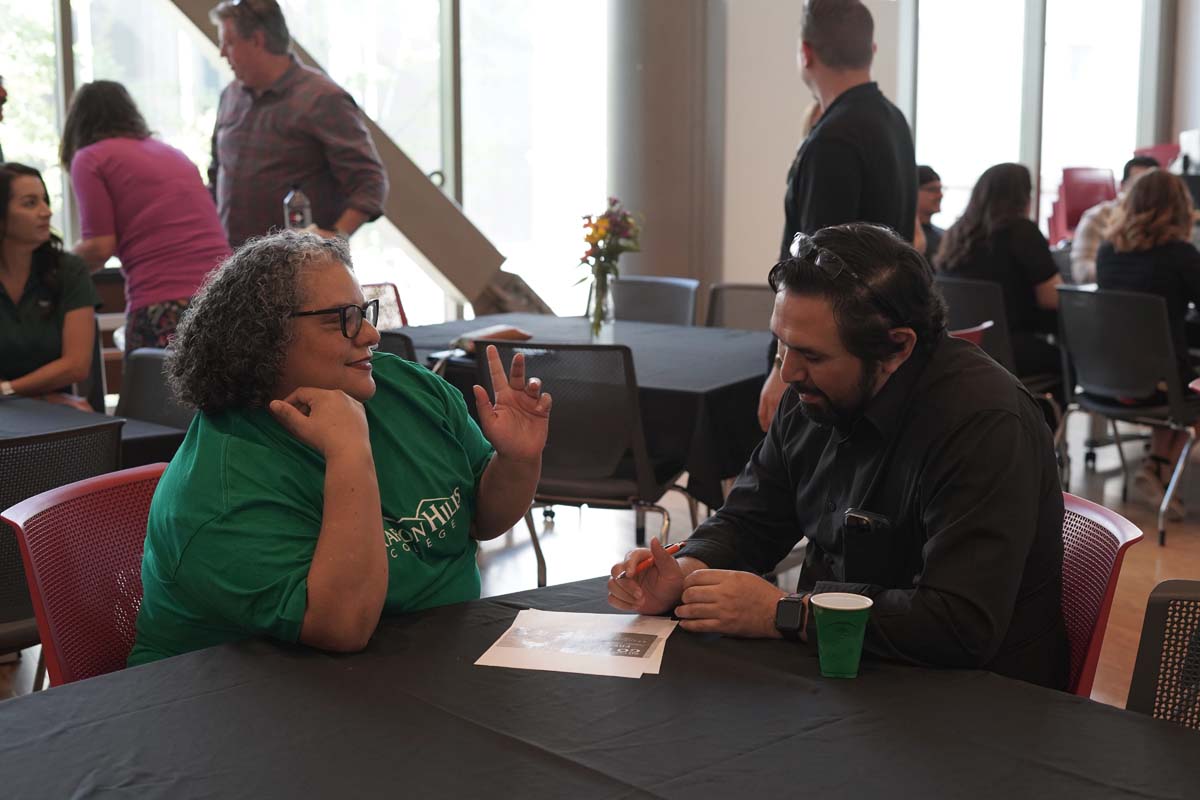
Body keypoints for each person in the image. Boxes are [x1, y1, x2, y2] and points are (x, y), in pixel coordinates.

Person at [609, 223, 1068, 690]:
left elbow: (957, 623)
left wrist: (786, 613)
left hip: (979, 704)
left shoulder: (982, 424)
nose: (788, 372)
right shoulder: (812, 392)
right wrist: (685, 571)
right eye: (781, 345)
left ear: (898, 347)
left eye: (811, 355)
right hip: (845, 671)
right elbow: (751, 520)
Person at [128, 230, 550, 665]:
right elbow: (343, 628)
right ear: (262, 337)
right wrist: (349, 453)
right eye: (341, 319)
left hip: (423, 668)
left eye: (364, 312)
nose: (370, 334)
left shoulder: (404, 388)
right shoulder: (220, 491)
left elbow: (482, 519)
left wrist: (517, 460)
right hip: (235, 705)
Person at [759, 0, 916, 431]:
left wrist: (781, 366)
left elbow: (811, 270)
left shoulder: (833, 139)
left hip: (833, 362)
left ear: (806, 53)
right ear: (873, 49)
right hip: (876, 346)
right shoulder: (893, 121)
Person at [61, 80, 231, 353]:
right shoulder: (172, 153)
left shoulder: (90, 158)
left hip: (164, 303)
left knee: (151, 393)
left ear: (76, 124)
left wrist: (51, 268)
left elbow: (98, 246)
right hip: (223, 295)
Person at [207, 0, 388, 248]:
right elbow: (216, 174)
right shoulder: (230, 96)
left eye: (228, 42)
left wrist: (335, 238)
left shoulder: (322, 98)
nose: (221, 52)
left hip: (297, 269)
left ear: (257, 41)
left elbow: (370, 182)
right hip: (233, 264)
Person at [1096, 170, 1200, 519]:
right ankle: (1162, 467)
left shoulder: (1107, 251)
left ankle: (1157, 466)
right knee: (1191, 389)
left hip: (1106, 379)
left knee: (1172, 373)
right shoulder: (1181, 255)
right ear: (1180, 208)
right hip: (1159, 382)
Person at [935, 162, 1062, 378]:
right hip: (1010, 349)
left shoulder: (955, 234)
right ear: (1022, 196)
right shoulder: (1023, 231)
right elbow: (1052, 298)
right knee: (1070, 361)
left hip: (958, 348)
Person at [0, 163, 97, 410]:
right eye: (30, 203)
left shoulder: (69, 269)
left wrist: (10, 390)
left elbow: (76, 365)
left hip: (52, 407)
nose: (46, 212)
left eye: (45, 200)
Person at [1070, 156, 1159, 283]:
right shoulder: (1097, 218)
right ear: (1122, 186)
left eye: (1152, 187)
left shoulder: (1166, 222)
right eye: (1138, 185)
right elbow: (1081, 271)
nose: (1144, 193)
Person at [917, 165, 944, 261]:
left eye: (940, 189)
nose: (940, 195)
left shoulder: (944, 235)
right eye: (933, 189)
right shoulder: (903, 237)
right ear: (914, 191)